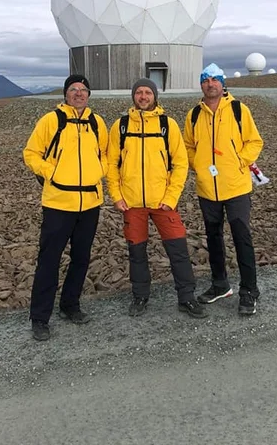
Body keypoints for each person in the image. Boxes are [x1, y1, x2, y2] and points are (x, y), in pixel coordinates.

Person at [107, 78, 206, 319]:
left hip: (163, 202)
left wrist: (171, 197)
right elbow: (111, 164)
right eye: (139, 92)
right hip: (132, 203)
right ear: (133, 96)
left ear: (155, 96)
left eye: (147, 92)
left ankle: (186, 297)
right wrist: (117, 196)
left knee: (178, 249)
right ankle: (140, 296)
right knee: (137, 252)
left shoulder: (167, 125)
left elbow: (181, 163)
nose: (143, 96)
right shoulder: (120, 126)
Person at [23, 74, 108, 341]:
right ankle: (40, 317)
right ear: (65, 94)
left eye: (83, 89)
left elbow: (105, 154)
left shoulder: (96, 122)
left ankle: (70, 305)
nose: (79, 93)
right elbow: (31, 153)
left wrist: (99, 172)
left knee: (81, 259)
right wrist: (52, 172)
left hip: (90, 203)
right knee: (49, 261)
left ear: (89, 95)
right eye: (73, 89)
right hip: (58, 203)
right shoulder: (52, 121)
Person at [183, 63, 264, 315]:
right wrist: (199, 164)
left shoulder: (239, 110)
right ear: (201, 84)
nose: (211, 84)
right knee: (213, 237)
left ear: (222, 83)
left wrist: (238, 161)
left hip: (236, 186)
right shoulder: (194, 115)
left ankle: (249, 291)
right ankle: (220, 285)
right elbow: (187, 146)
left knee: (242, 238)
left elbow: (254, 141)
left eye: (215, 79)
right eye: (206, 80)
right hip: (208, 188)